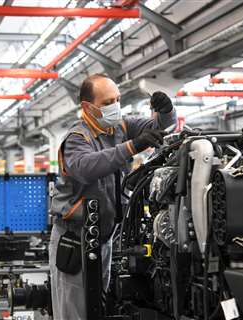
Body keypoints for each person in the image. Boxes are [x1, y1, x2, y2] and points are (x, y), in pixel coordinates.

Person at [49, 73, 176, 319]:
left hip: (103, 238)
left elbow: (162, 128)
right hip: (74, 240)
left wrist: (166, 111)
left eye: (117, 99)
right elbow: (87, 167)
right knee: (74, 313)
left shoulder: (119, 128)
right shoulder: (76, 139)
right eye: (108, 102)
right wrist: (132, 146)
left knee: (97, 308)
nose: (115, 106)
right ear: (88, 107)